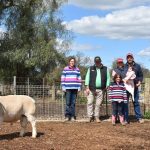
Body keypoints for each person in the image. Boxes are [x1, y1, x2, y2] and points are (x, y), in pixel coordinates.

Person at [85, 56, 110, 123]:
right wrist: (87, 87)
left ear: (100, 61)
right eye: (96, 62)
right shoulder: (90, 68)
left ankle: (97, 117)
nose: (97, 63)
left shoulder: (105, 68)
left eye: (98, 61)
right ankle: (90, 117)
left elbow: (108, 78)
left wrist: (107, 85)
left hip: (101, 89)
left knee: (98, 104)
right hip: (91, 89)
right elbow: (87, 78)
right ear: (94, 62)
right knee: (90, 102)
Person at [124, 53, 144, 123]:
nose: (129, 58)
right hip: (126, 88)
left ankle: (139, 118)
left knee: (136, 102)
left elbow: (141, 76)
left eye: (131, 57)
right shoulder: (124, 66)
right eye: (128, 57)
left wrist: (139, 82)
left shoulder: (137, 66)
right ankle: (125, 119)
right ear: (126, 58)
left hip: (135, 87)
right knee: (125, 103)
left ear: (133, 58)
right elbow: (122, 75)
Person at [61, 56, 81, 121]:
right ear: (69, 62)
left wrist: (79, 87)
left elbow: (79, 79)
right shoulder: (65, 69)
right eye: (71, 61)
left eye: (73, 61)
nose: (72, 62)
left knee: (73, 103)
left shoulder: (77, 69)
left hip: (75, 88)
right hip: (68, 88)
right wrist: (63, 86)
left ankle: (72, 116)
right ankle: (67, 116)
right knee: (67, 103)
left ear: (74, 62)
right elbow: (63, 78)